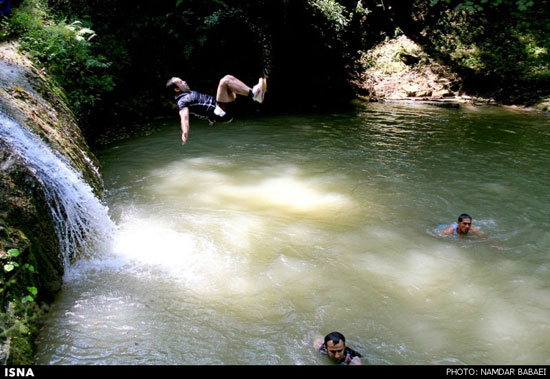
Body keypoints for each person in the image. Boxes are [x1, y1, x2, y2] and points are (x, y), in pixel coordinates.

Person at [166, 75, 267, 144]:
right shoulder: (181, 102)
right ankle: (254, 94)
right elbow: (184, 118)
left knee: (228, 78)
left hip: (222, 108)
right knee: (224, 81)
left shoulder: (187, 93)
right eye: (181, 82)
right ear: (176, 89)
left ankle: (255, 94)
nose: (184, 82)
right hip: (219, 113)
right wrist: (185, 133)